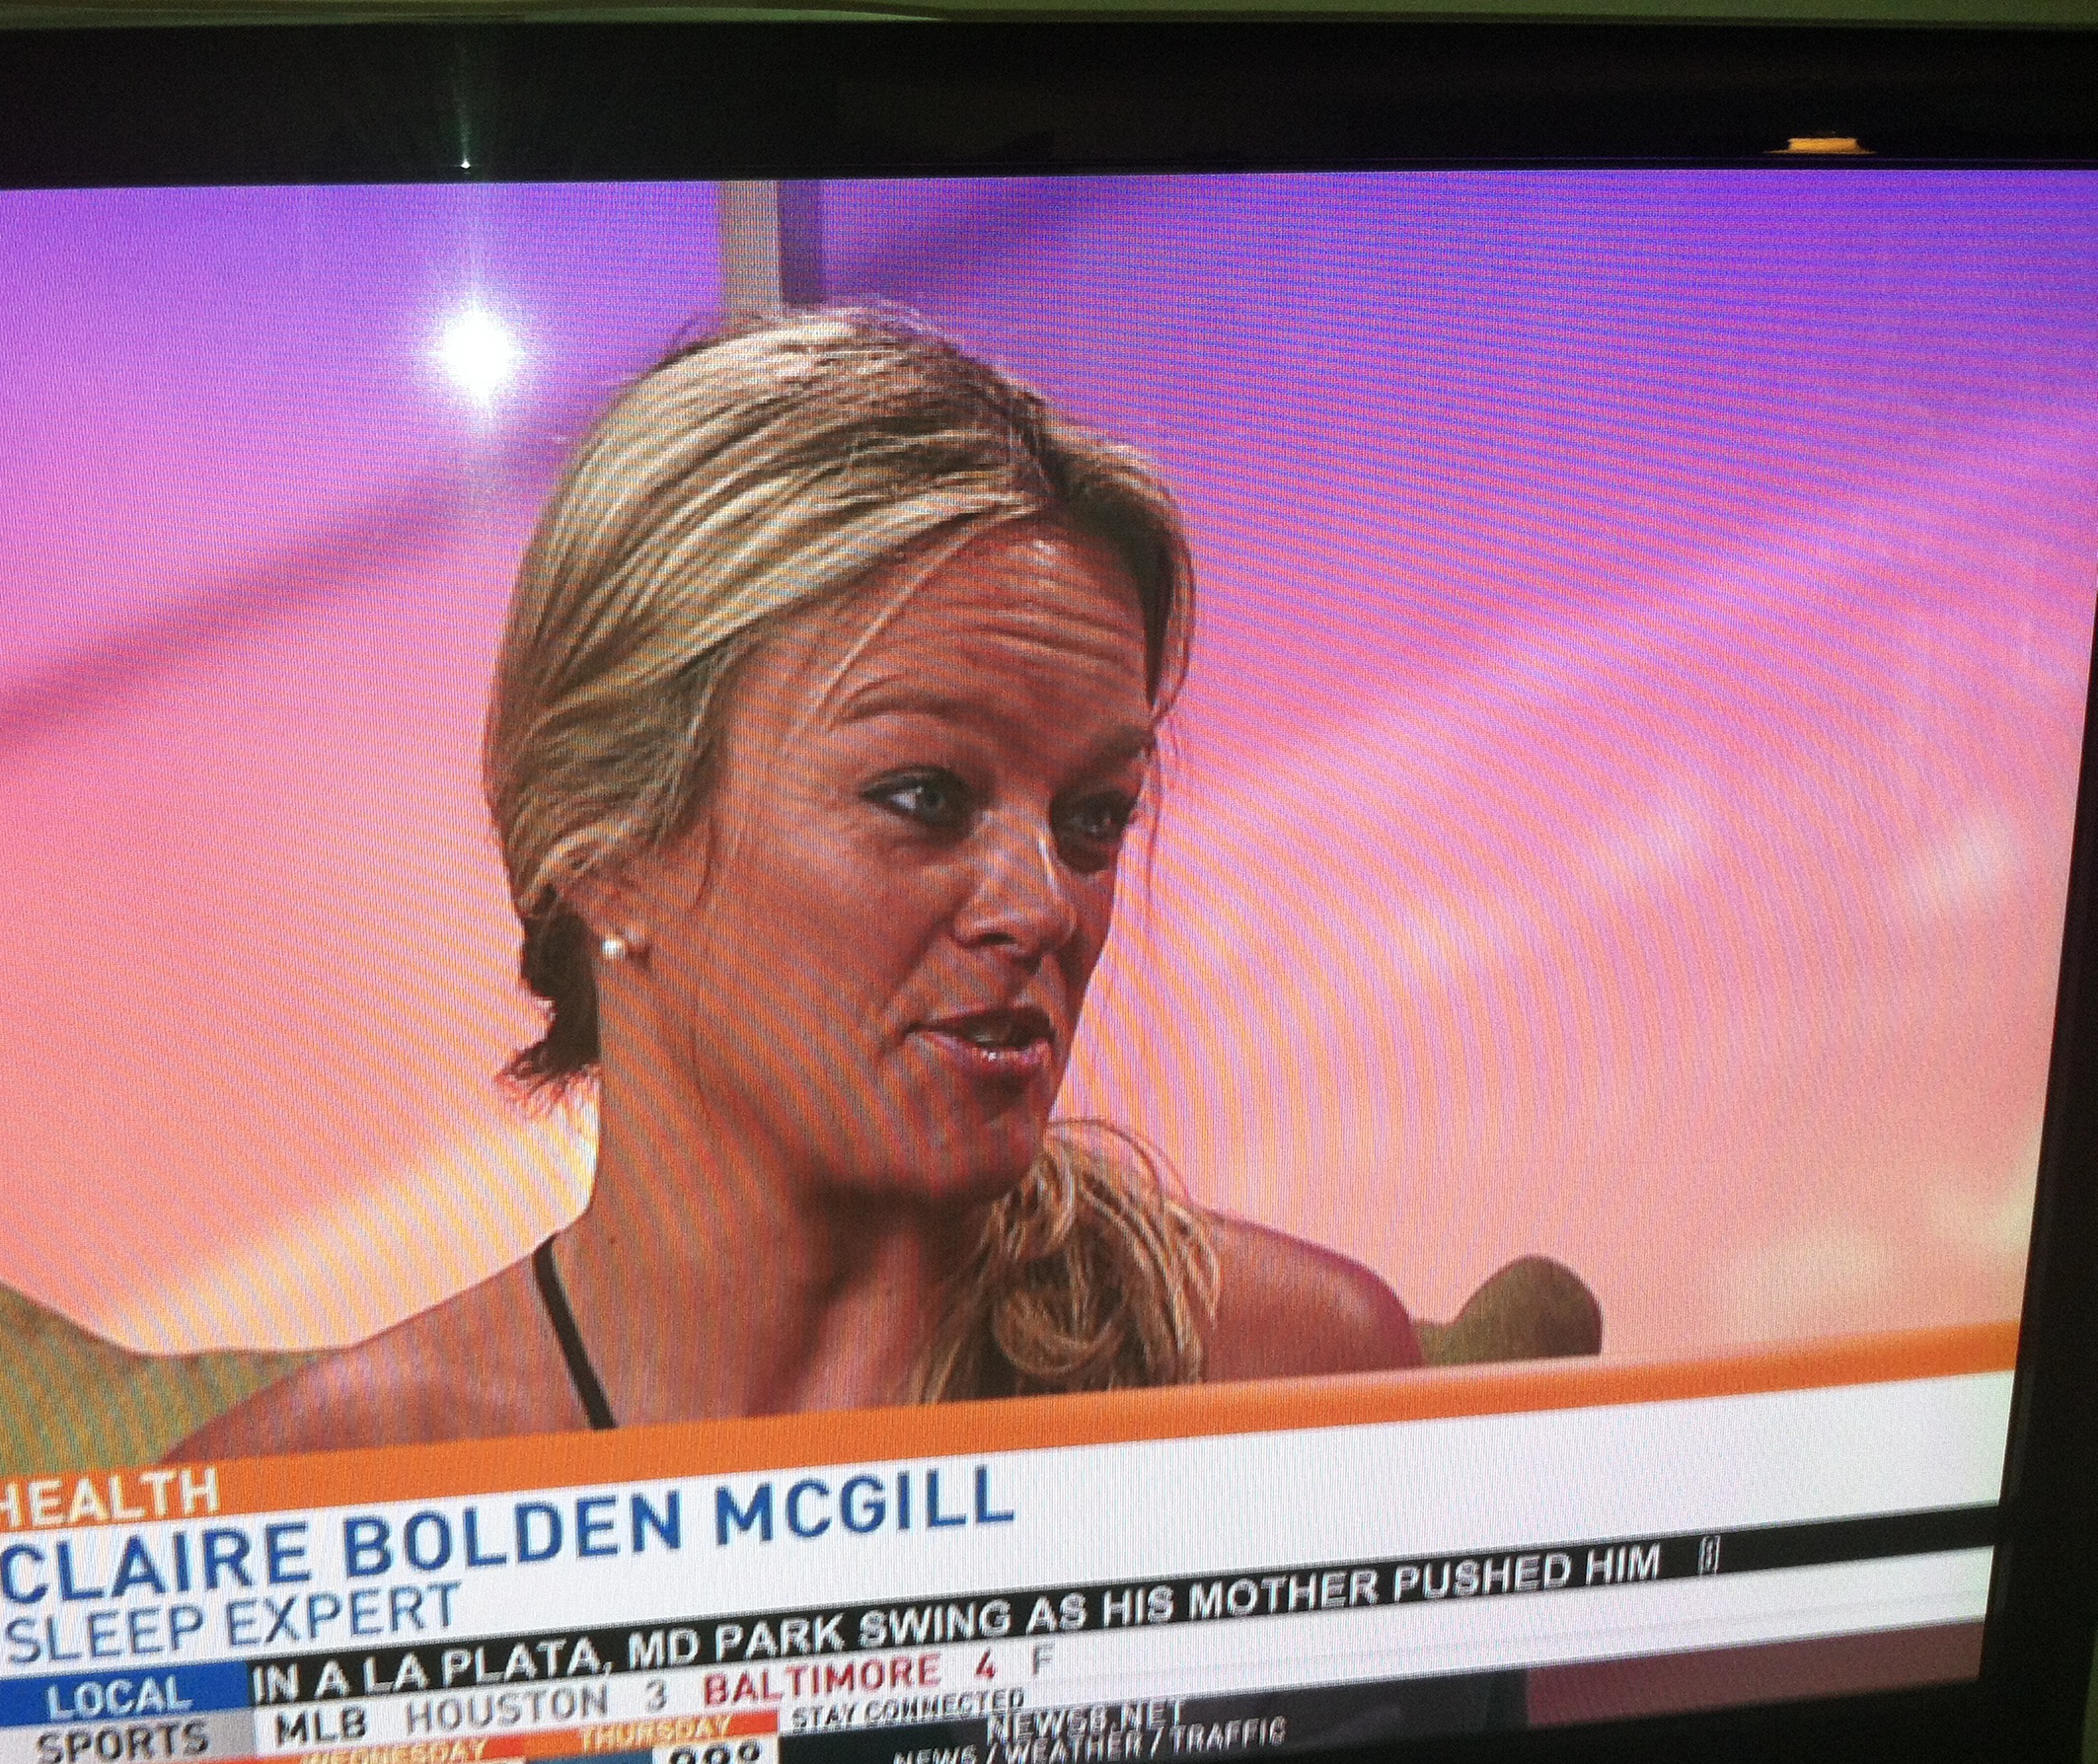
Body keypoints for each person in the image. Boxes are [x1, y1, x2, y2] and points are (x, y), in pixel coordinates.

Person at [177, 309, 1416, 1459]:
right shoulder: (315, 1495)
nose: (1045, 905)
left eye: (1094, 817)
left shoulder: (1283, 1378)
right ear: (608, 853)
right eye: (926, 797)